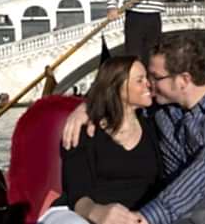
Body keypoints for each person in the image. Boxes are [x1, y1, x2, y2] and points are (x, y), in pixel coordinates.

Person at [62, 35, 205, 224]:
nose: (149, 84)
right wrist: (89, 106)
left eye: (155, 78)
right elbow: (118, 96)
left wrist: (145, 219)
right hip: (179, 219)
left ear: (184, 80)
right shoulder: (159, 110)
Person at [39, 56, 163, 224]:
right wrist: (97, 213)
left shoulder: (157, 123)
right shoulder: (84, 131)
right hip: (80, 213)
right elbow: (77, 192)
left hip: (140, 216)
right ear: (117, 87)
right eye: (139, 80)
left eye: (147, 78)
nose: (148, 84)